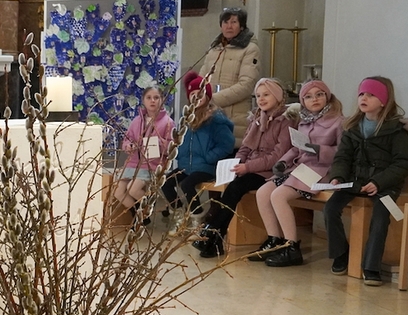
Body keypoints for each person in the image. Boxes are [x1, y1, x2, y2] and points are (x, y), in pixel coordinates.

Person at [324, 76, 408, 286]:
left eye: (371, 95)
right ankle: (341, 254)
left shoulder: (396, 129)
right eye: (362, 94)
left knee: (381, 216)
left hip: (384, 185)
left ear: (383, 101)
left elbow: (403, 162)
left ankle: (372, 266)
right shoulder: (352, 127)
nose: (364, 98)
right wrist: (337, 176)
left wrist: (379, 182)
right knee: (330, 209)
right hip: (354, 182)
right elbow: (342, 157)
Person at [195, 78, 294, 259]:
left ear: (278, 96)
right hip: (251, 168)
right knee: (230, 186)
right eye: (258, 95)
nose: (261, 99)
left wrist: (247, 167)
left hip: (270, 172)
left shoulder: (286, 121)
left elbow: (276, 156)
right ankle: (214, 237)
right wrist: (235, 164)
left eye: (266, 95)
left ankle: (212, 234)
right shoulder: (257, 118)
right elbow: (246, 147)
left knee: (236, 187)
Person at [252, 80, 343, 267]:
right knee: (263, 192)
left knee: (279, 196)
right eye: (308, 97)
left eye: (319, 94)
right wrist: (282, 162)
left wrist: (319, 149)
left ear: (327, 96)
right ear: (303, 101)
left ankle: (291, 246)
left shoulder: (338, 121)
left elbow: (343, 152)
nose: (314, 99)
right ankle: (274, 240)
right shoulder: (304, 121)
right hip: (299, 169)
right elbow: (296, 148)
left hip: (320, 170)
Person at [161, 72, 234, 232]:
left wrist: (209, 157)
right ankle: (180, 215)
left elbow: (227, 144)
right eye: (193, 94)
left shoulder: (215, 119)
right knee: (166, 183)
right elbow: (181, 140)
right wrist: (178, 153)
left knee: (187, 184)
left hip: (205, 167)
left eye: (200, 93)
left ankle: (197, 218)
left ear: (207, 96)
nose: (197, 97)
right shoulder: (187, 118)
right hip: (186, 165)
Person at [197, 7, 260, 145]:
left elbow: (246, 85)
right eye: (225, 22)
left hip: (235, 117)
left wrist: (211, 99)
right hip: (209, 115)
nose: (229, 26)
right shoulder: (214, 49)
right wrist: (198, 95)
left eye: (234, 22)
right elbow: (201, 80)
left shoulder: (250, 49)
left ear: (242, 26)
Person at [113, 85, 175, 224]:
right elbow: (127, 139)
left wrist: (158, 142)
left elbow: (172, 148)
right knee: (117, 191)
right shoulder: (137, 121)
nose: (152, 100)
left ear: (162, 100)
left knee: (133, 189)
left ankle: (149, 207)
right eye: (149, 97)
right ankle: (139, 216)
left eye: (156, 97)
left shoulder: (168, 123)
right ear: (143, 100)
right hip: (133, 163)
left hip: (153, 165)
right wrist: (128, 146)